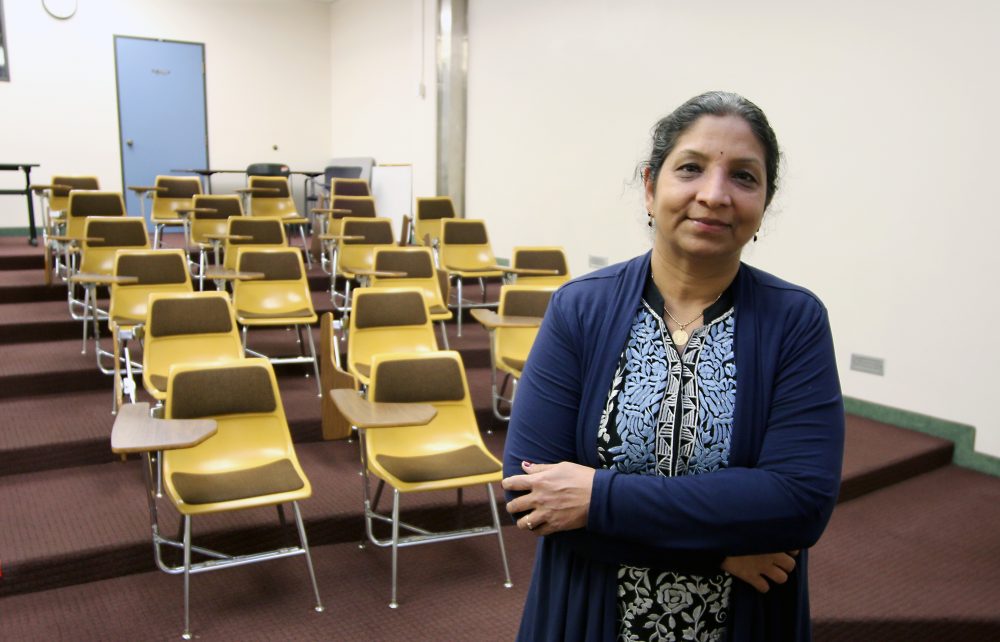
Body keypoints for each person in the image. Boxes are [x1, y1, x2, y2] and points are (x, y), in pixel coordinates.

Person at [501, 91, 844, 641]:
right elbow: (531, 494)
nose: (714, 195)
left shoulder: (795, 321)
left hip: (743, 622)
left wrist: (599, 498)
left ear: (764, 203)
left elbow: (799, 502)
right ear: (649, 185)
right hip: (589, 614)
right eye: (690, 169)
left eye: (744, 177)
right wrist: (720, 554)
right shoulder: (580, 308)